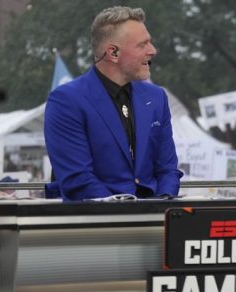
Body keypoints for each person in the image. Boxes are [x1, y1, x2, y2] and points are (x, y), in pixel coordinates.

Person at [44, 6, 182, 201]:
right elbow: (78, 180)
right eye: (142, 45)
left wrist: (162, 204)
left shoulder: (157, 97)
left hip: (153, 214)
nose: (152, 50)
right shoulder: (66, 101)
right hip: (97, 218)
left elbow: (168, 170)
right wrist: (129, 212)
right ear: (113, 53)